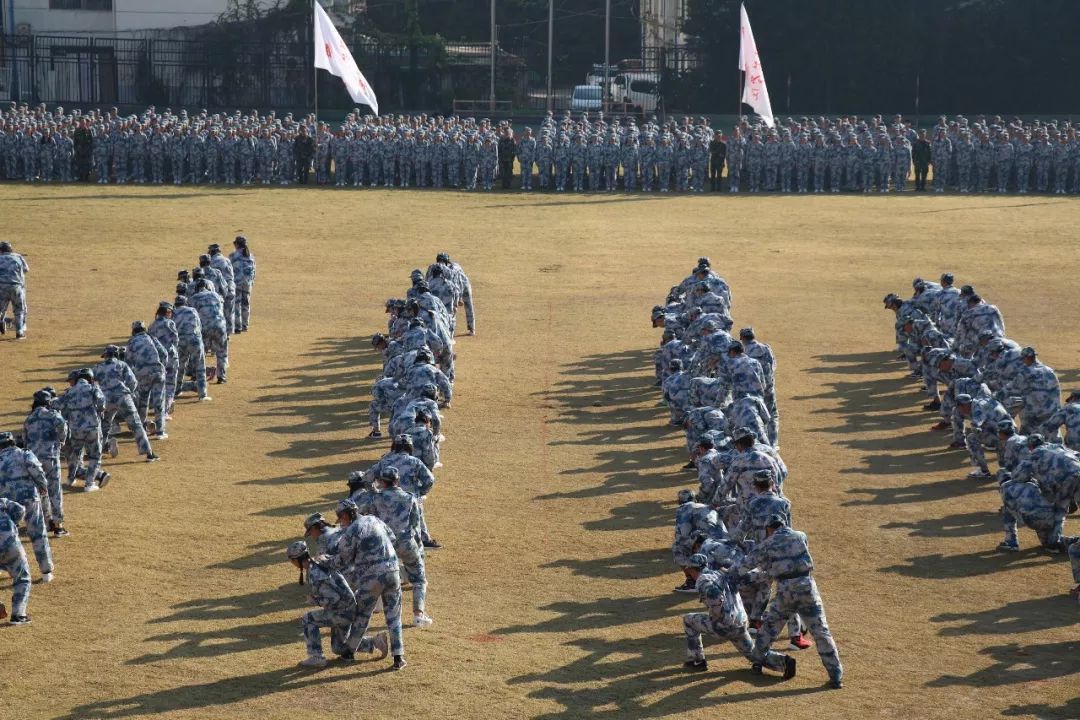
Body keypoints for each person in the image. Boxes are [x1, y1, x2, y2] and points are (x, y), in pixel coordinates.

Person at [741, 515, 843, 689]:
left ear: (769, 529)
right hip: (808, 588)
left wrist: (728, 573)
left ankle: (757, 662)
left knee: (770, 628)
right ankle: (836, 676)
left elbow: (747, 564)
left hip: (786, 591)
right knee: (821, 632)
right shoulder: (800, 535)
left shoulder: (768, 543)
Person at [681, 552, 796, 677]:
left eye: (689, 570)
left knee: (688, 620)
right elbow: (745, 578)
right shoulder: (720, 573)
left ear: (693, 569)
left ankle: (697, 661)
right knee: (751, 652)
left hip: (724, 624)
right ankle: (784, 662)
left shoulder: (703, 580)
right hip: (740, 621)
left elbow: (714, 596)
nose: (688, 573)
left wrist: (716, 617)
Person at [329, 504, 406, 670]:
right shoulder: (374, 519)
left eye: (341, 518)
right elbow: (392, 538)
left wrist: (325, 561)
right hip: (393, 571)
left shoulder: (351, 531)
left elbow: (343, 560)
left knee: (362, 614)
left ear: (347, 515)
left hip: (371, 577)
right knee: (394, 616)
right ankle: (398, 657)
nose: (341, 522)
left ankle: (349, 652)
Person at [285, 540, 365, 668]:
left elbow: (333, 598)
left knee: (308, 619)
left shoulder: (315, 574)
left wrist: (314, 600)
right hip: (349, 607)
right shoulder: (320, 560)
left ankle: (316, 656)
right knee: (338, 647)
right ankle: (374, 642)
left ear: (296, 560)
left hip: (342, 612)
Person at [371, 467, 433, 627]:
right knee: (419, 579)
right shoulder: (409, 498)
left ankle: (376, 605)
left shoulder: (375, 499)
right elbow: (416, 525)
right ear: (397, 480)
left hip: (384, 544)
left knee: (380, 575)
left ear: (382, 481)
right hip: (406, 542)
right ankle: (419, 614)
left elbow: (371, 521)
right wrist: (419, 547)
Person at [0, 431, 53, 582]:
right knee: (37, 533)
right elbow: (37, 470)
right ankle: (46, 571)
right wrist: (42, 486)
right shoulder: (24, 454)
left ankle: (6, 568)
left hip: (7, 502)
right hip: (29, 497)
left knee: (6, 535)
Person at [23, 389, 68, 537]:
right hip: (50, 457)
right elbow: (63, 425)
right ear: (48, 402)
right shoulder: (52, 414)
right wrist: (61, 440)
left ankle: (46, 521)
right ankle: (58, 525)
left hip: (34, 460)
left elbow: (25, 441)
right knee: (54, 490)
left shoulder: (29, 419)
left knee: (41, 490)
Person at [56, 368, 110, 491]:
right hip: (92, 427)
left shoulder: (70, 391)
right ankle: (89, 484)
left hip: (75, 429)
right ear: (90, 378)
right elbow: (101, 402)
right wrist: (99, 410)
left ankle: (70, 479)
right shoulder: (93, 388)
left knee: (75, 454)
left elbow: (58, 405)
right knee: (95, 456)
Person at [0, 497, 31, 625]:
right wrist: (14, 523)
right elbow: (20, 510)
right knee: (22, 578)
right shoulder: (3, 502)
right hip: (10, 544)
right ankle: (18, 615)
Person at [0, 241, 29, 339]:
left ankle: (1, 322)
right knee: (19, 310)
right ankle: (19, 332)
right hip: (17, 287)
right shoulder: (19, 257)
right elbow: (26, 270)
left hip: (1, 287)